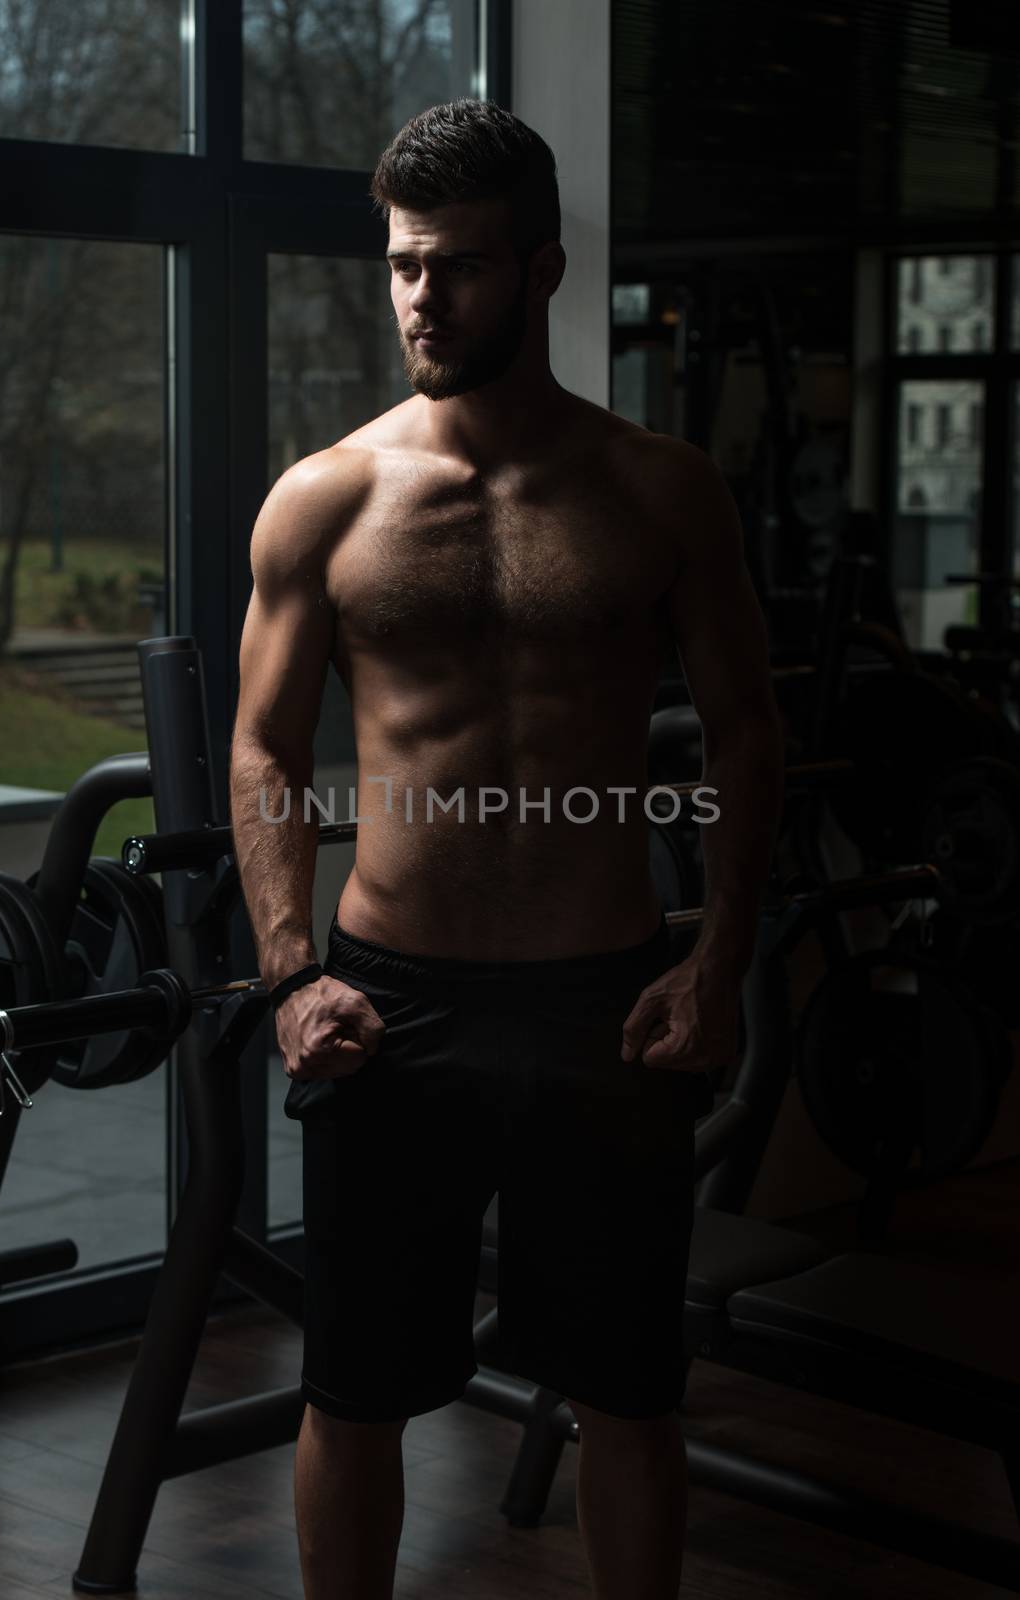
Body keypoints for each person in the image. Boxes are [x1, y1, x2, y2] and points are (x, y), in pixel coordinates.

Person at [230, 98, 783, 1600]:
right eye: (406, 265)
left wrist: (718, 961)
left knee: (630, 1392)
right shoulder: (325, 499)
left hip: (605, 1004)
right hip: (386, 1005)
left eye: (461, 267)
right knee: (353, 1388)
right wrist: (289, 980)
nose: (425, 297)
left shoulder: (659, 490)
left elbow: (745, 731)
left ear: (540, 272)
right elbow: (264, 748)